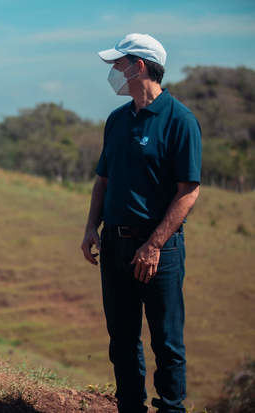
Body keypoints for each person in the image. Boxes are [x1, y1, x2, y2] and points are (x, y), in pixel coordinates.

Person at [80, 33, 201, 413]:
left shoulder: (179, 120)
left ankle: (171, 407)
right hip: (115, 244)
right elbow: (104, 181)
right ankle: (130, 407)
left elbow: (188, 190)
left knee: (166, 340)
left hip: (159, 251)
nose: (114, 71)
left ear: (140, 66)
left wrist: (154, 245)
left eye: (119, 63)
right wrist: (90, 228)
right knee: (122, 338)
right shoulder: (116, 121)